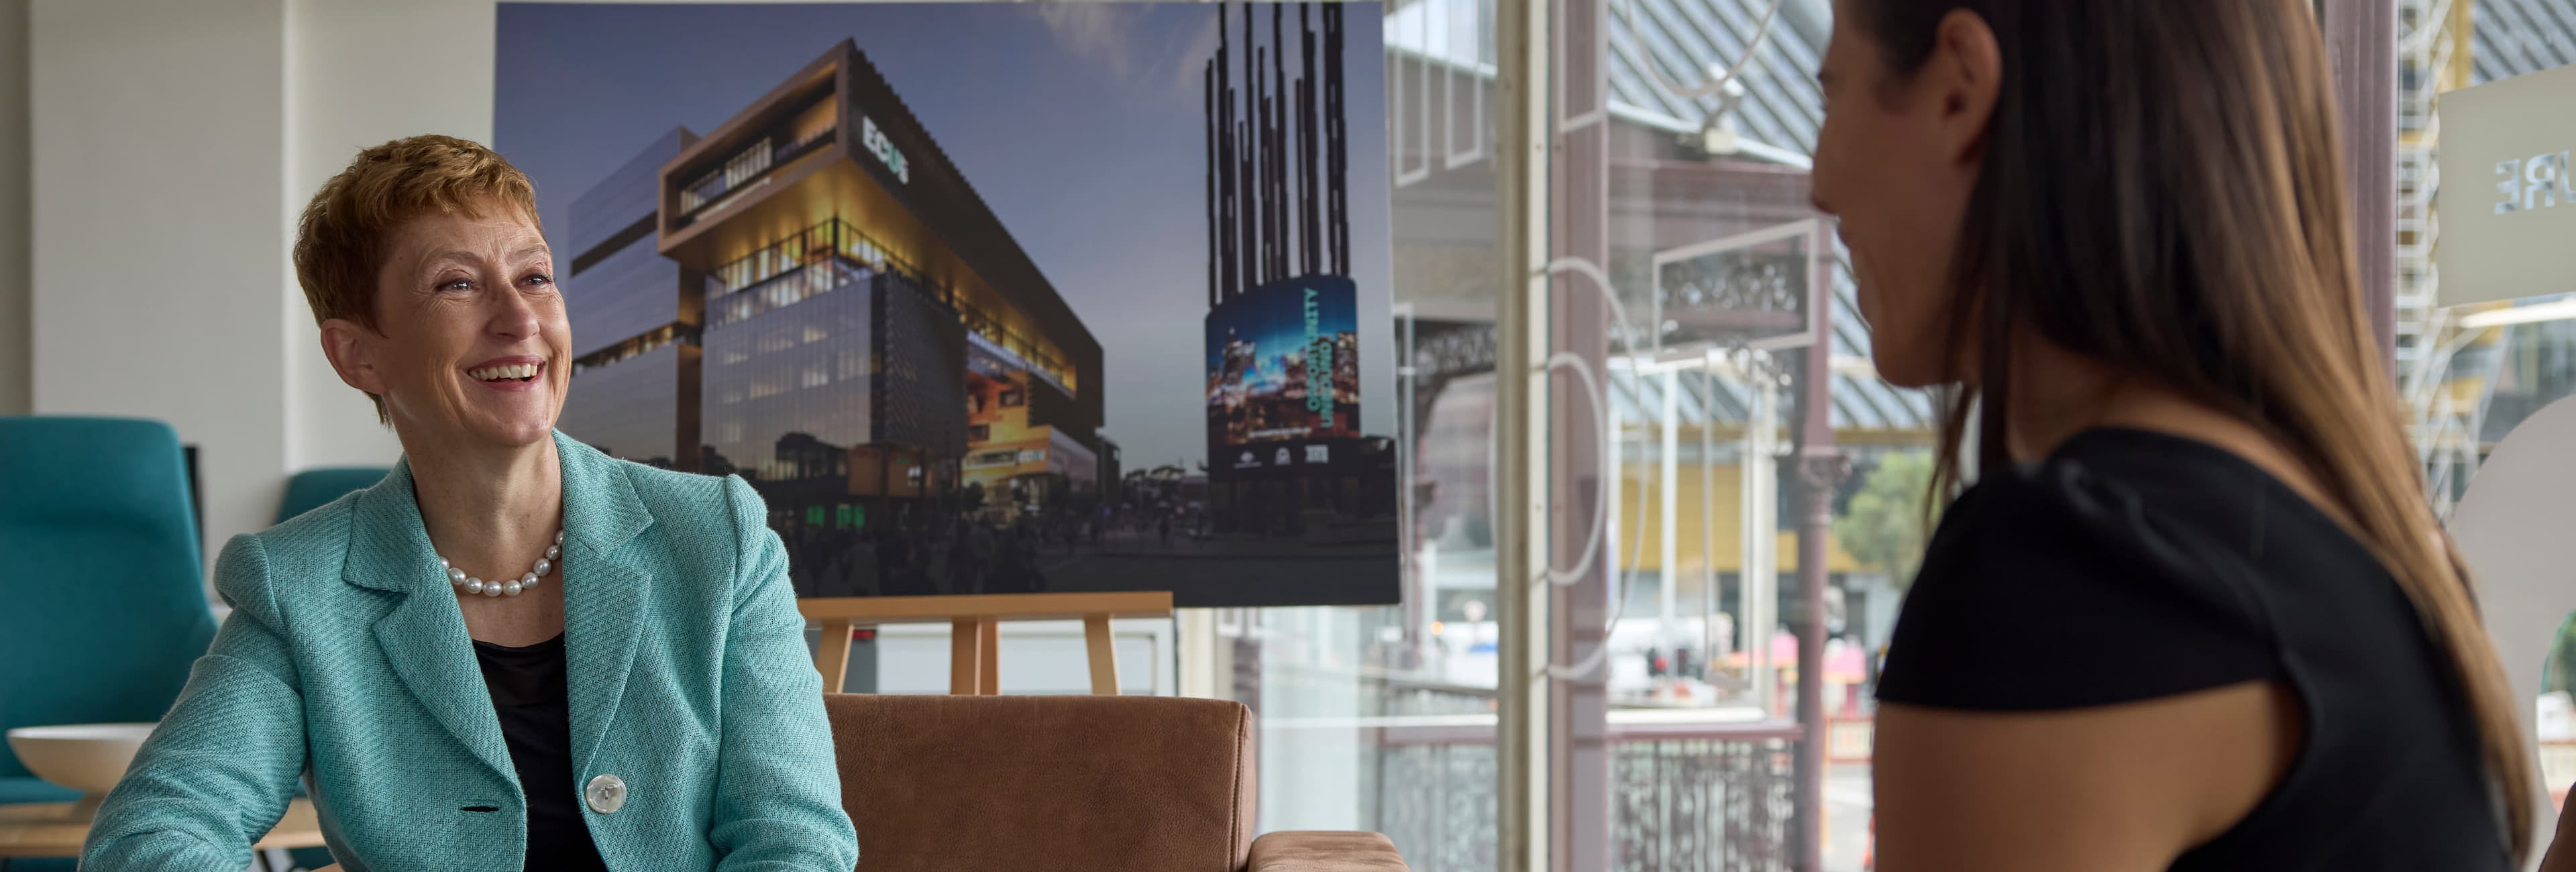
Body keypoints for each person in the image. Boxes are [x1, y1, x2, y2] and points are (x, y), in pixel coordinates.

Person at [1809, 2, 2536, 869]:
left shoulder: (2082, 568)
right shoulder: (2330, 530)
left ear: (1960, 90)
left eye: (1833, 95)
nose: (1819, 181)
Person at [80, 135, 859, 871]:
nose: (520, 320)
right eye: (457, 284)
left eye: (535, 277)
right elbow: (150, 836)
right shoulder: (298, 586)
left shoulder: (717, 536)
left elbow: (797, 842)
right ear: (359, 354)